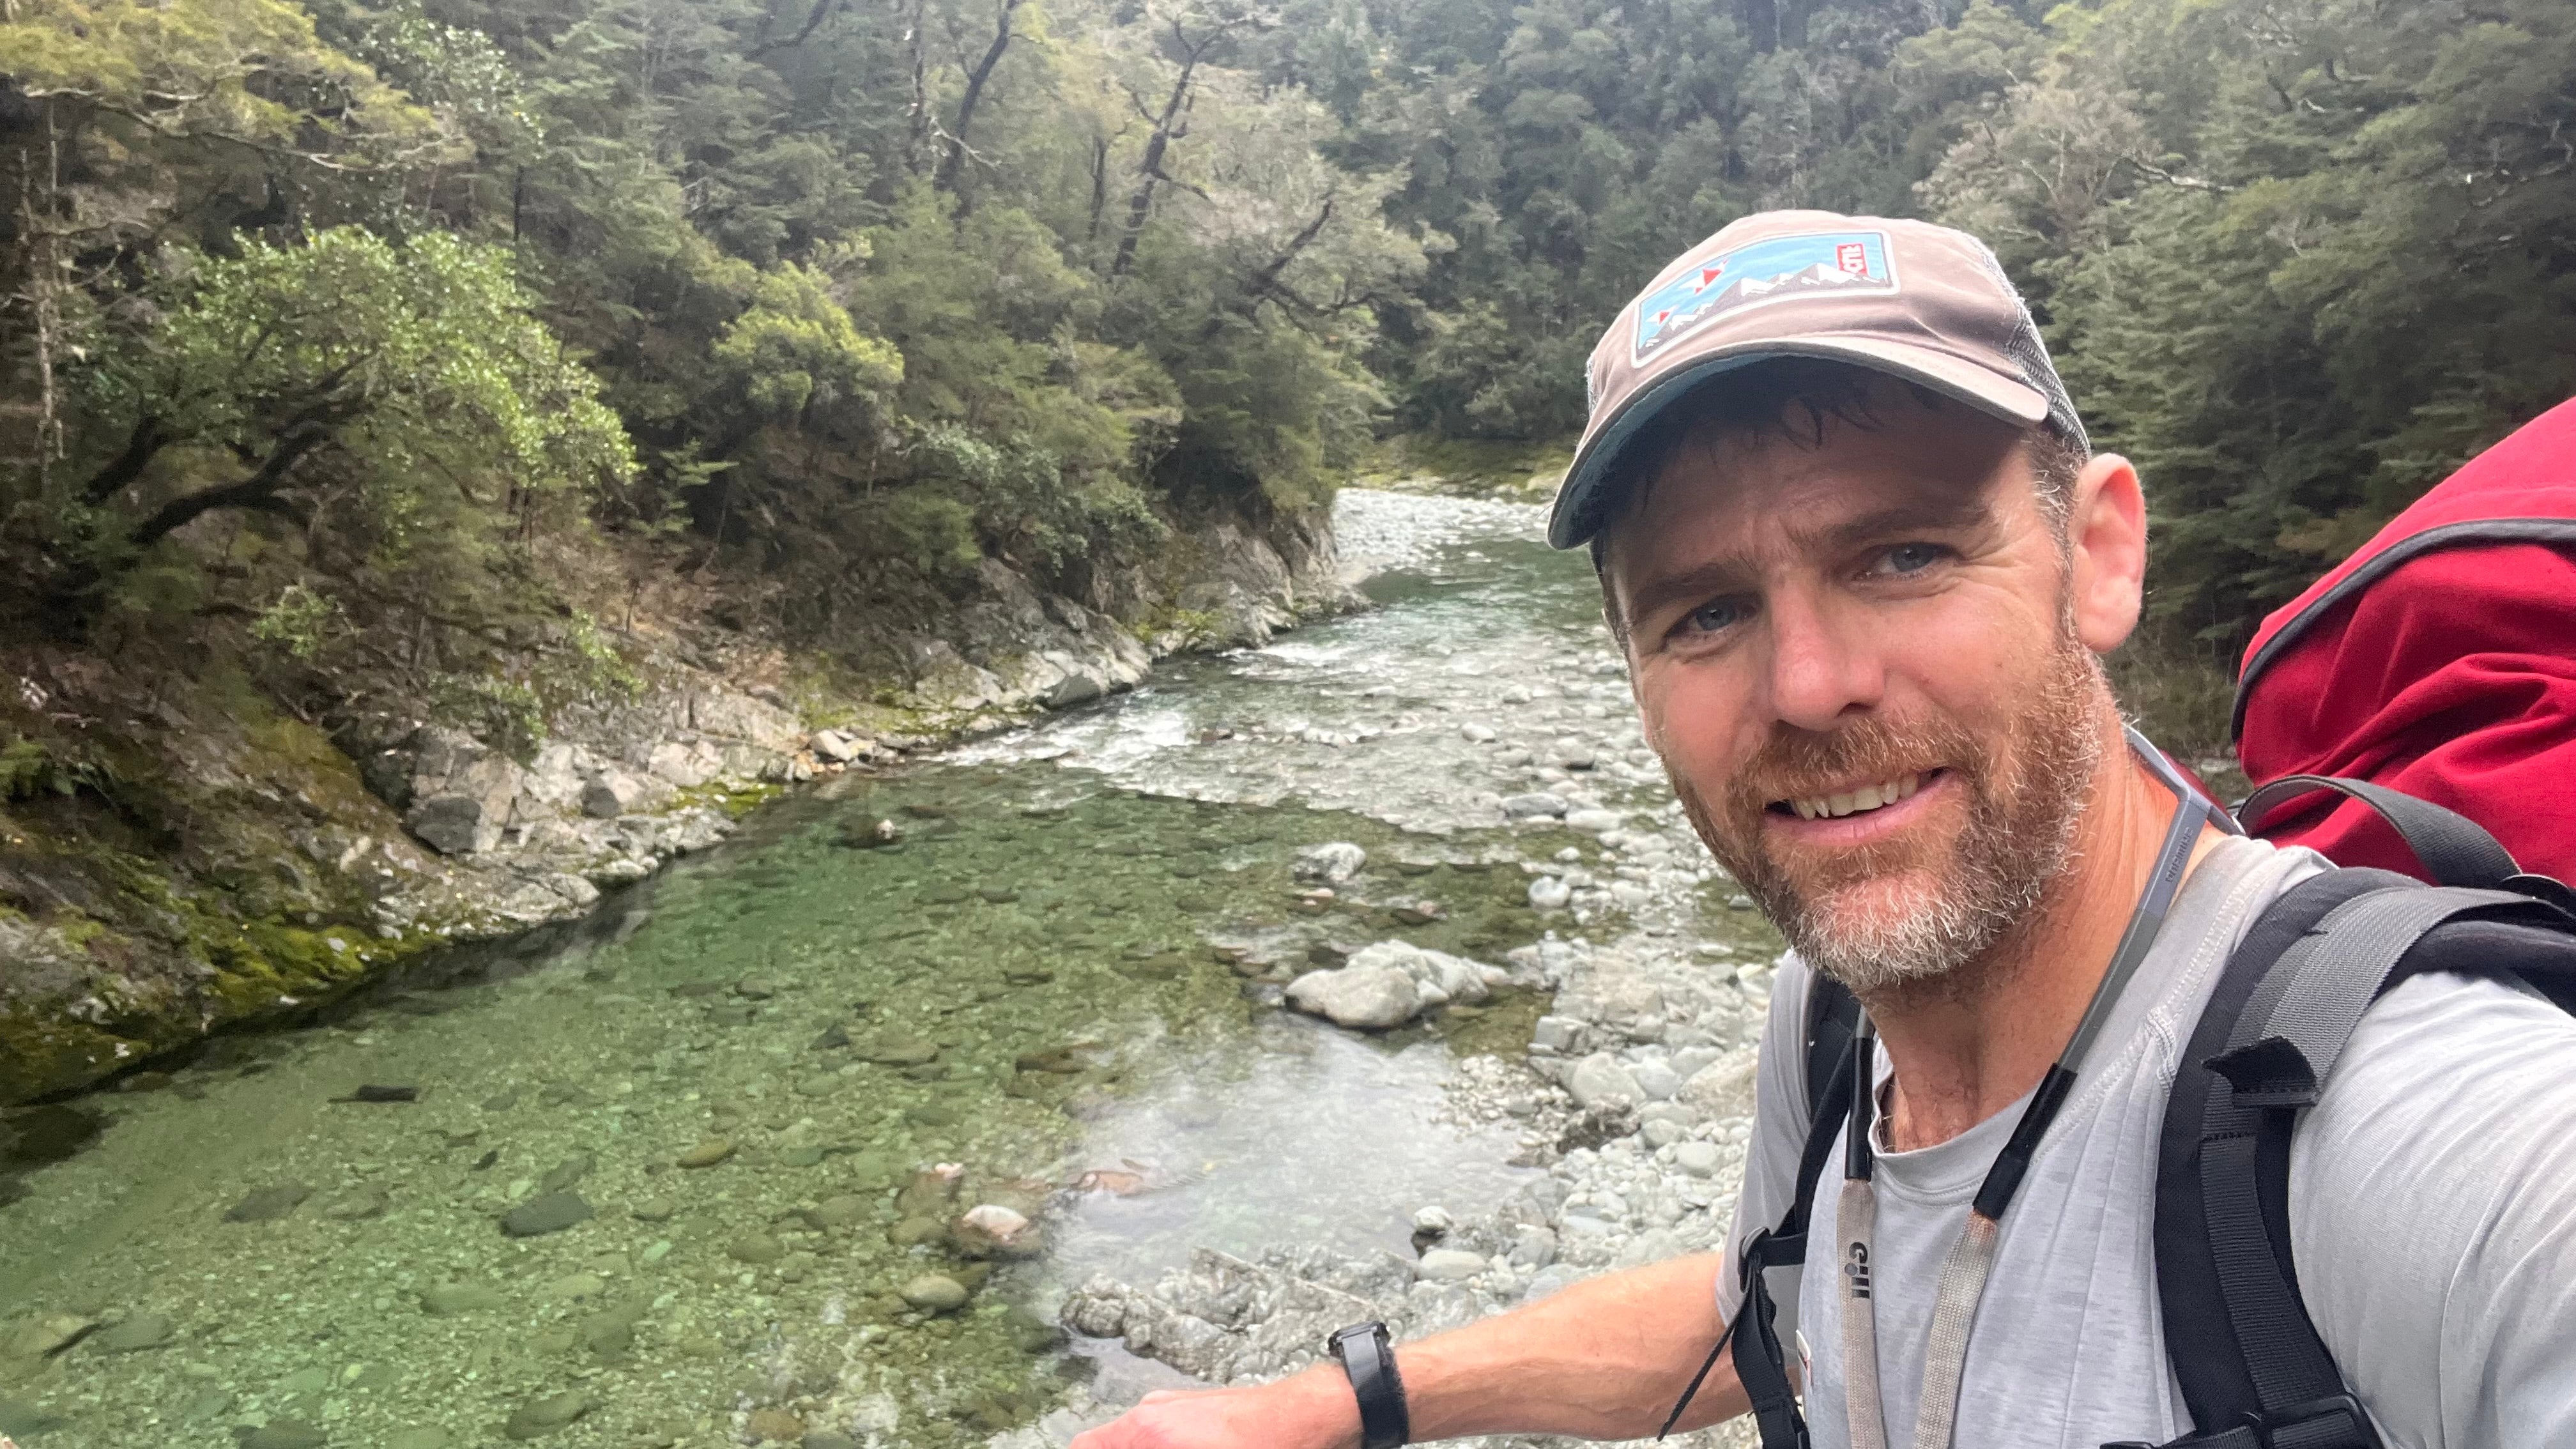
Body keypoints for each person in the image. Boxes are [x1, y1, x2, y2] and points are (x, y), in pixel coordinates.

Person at [1069, 212, 2576, 1449]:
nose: (1807, 685)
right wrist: (1333, 1403)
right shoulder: (1834, 1020)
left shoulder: (2414, 1128)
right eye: (1706, 610)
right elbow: (1764, 1303)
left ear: (2100, 552)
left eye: (1904, 553)